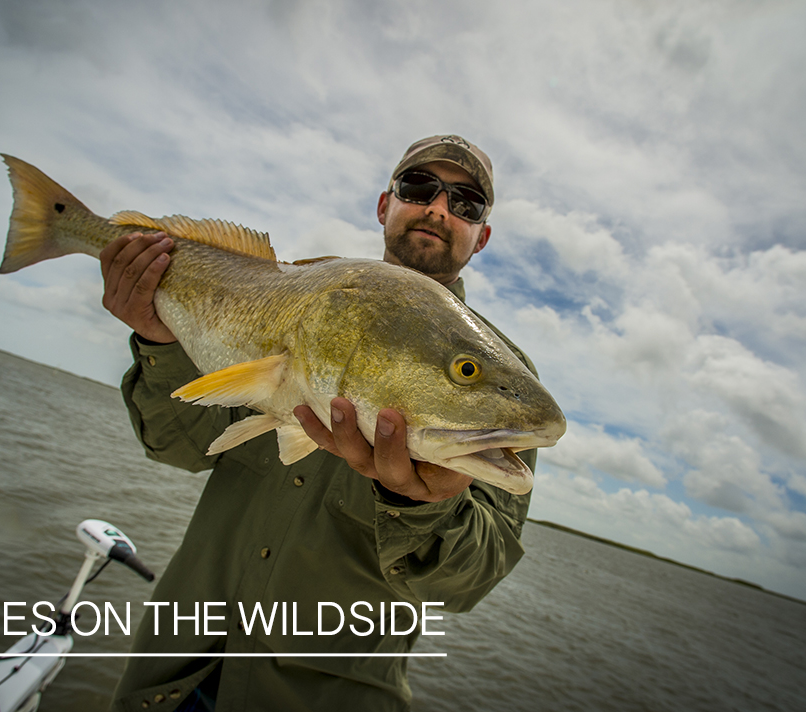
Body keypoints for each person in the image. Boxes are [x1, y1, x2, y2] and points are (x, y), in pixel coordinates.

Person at [101, 135, 541, 712]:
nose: (438, 209)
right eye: (418, 187)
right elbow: (174, 447)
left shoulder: (499, 392)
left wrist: (424, 506)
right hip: (170, 674)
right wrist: (159, 343)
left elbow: (468, 580)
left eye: (466, 203)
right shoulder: (298, 302)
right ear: (385, 206)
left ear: (481, 237)